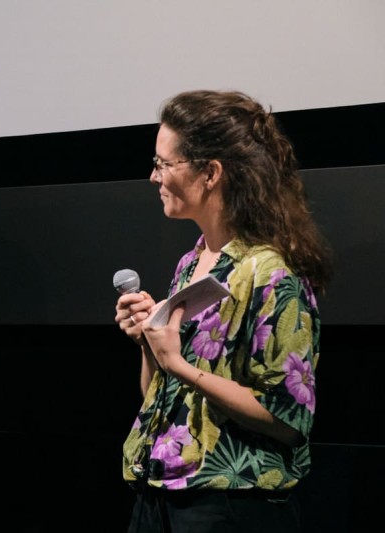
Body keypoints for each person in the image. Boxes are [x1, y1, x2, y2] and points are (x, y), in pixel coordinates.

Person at [114, 89, 332, 532]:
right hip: (161, 496)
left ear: (210, 173)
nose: (154, 177)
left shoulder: (271, 273)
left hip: (230, 506)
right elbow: (159, 395)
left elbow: (288, 417)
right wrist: (150, 345)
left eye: (163, 163)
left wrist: (178, 363)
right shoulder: (191, 264)